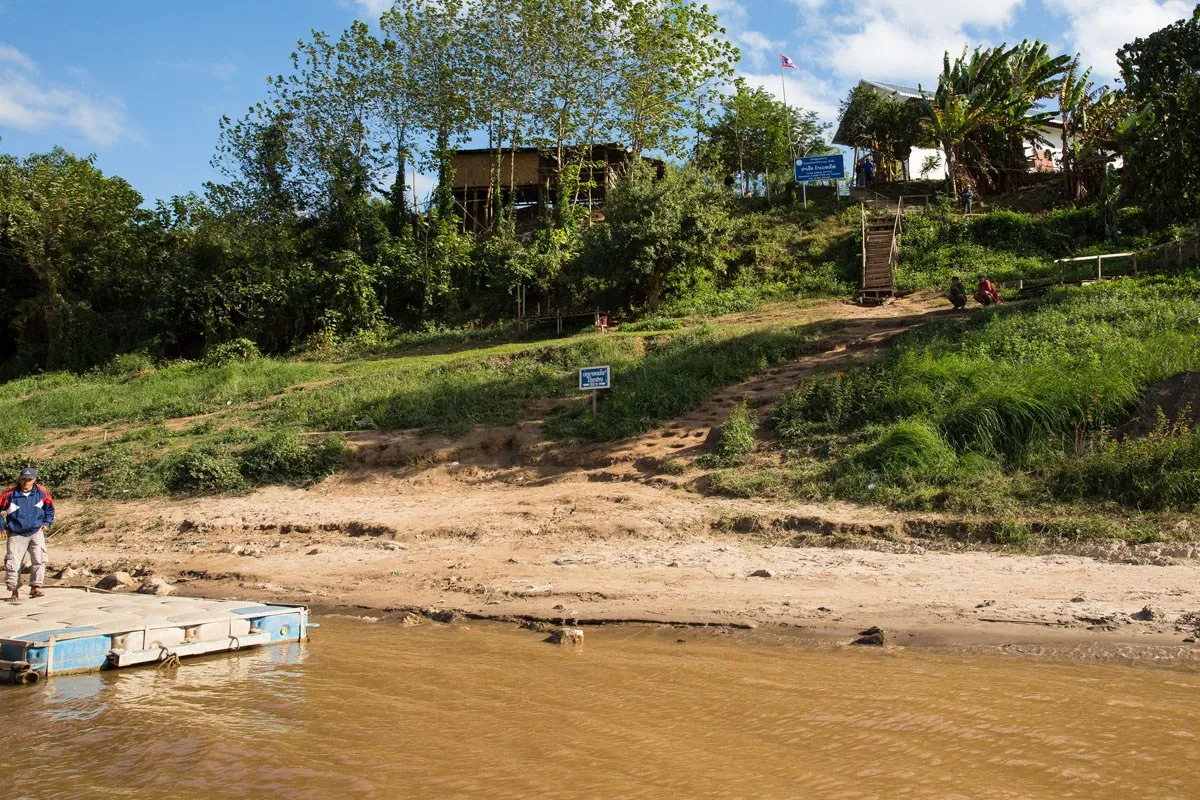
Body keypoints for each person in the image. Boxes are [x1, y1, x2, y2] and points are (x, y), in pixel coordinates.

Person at [3, 467, 54, 602]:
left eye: (29, 479)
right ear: (19, 479)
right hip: (16, 533)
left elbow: (49, 509)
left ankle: (35, 587)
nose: (26, 482)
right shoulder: (9, 494)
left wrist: (47, 523)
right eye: (23, 479)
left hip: (36, 531)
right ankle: (14, 591)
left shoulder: (42, 493)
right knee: (13, 562)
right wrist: (2, 528)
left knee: (39, 559)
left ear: (34, 479)